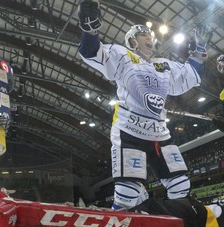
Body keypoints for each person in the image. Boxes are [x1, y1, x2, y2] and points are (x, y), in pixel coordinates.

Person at [77, 0, 207, 209]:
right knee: (127, 192)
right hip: (130, 131)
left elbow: (192, 75)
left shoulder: (164, 65)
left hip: (159, 135)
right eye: (143, 34)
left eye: (150, 35)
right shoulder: (122, 56)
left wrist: (199, 52)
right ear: (133, 42)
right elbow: (91, 52)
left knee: (180, 185)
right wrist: (90, 29)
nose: (150, 37)